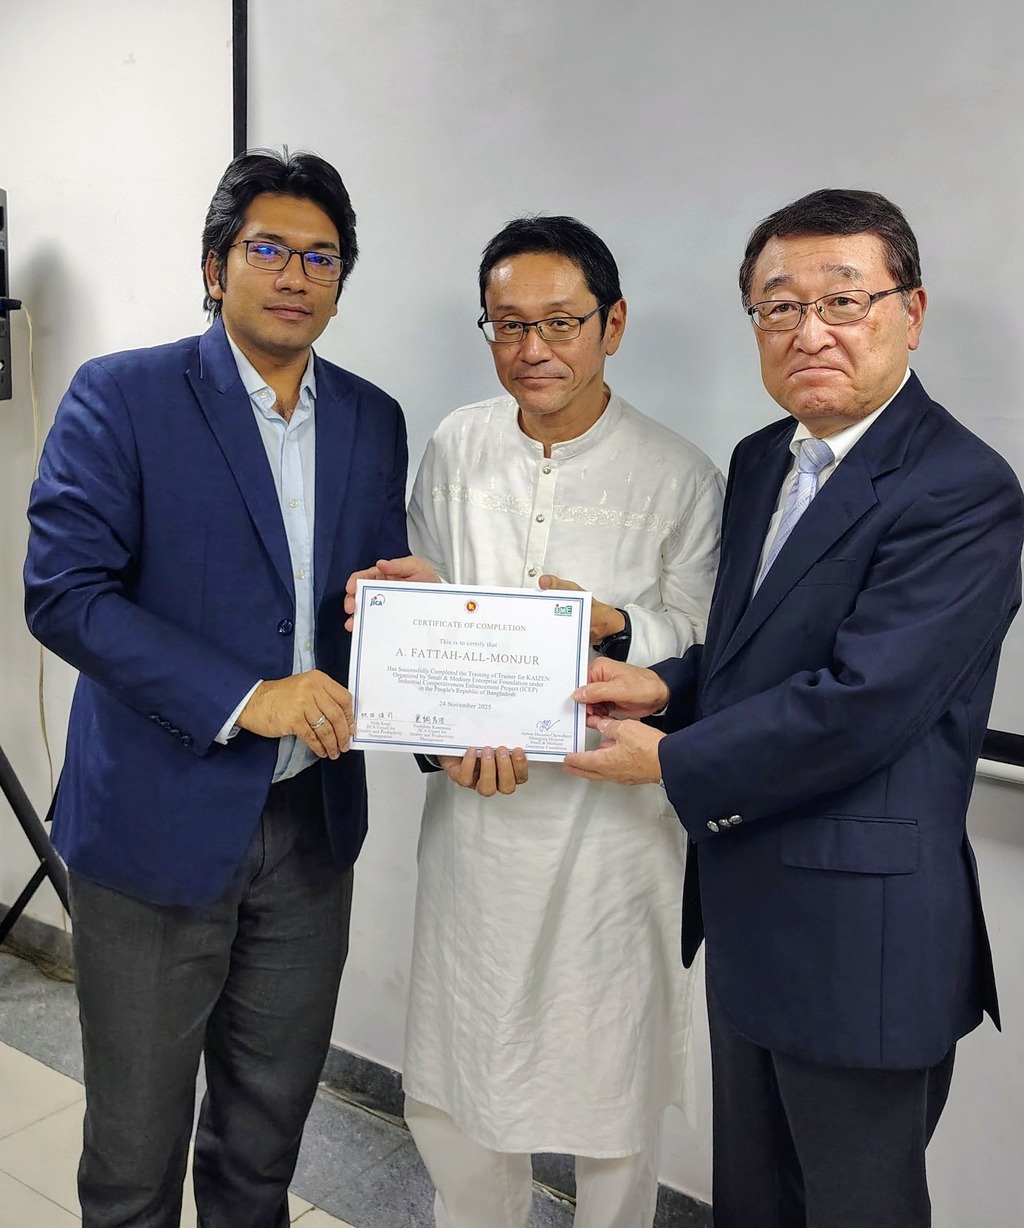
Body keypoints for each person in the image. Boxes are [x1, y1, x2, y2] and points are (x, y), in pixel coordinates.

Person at [566, 188, 1024, 1228]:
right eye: (779, 306)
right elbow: (756, 659)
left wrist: (668, 760)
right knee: (755, 1205)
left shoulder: (961, 487)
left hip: (862, 941)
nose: (809, 331)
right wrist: (665, 684)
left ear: (911, 312)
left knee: (855, 1208)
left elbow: (863, 704)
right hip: (749, 914)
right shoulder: (760, 459)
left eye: (844, 300)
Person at [24, 149, 409, 1228]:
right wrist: (247, 695)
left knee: (262, 1147)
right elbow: (65, 594)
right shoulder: (123, 395)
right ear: (215, 267)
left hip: (311, 828)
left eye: (321, 257)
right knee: (133, 1160)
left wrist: (408, 612)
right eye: (269, 249)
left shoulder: (372, 417)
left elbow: (362, 601)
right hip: (155, 824)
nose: (296, 275)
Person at [348, 216, 723, 1227]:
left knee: (613, 1089)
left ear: (613, 324)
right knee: (455, 1080)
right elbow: (428, 612)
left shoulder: (680, 473)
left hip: (614, 834)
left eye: (560, 321)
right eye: (507, 324)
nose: (533, 348)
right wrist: (422, 685)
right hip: (478, 821)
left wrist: (614, 623)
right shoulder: (456, 446)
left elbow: (704, 641)